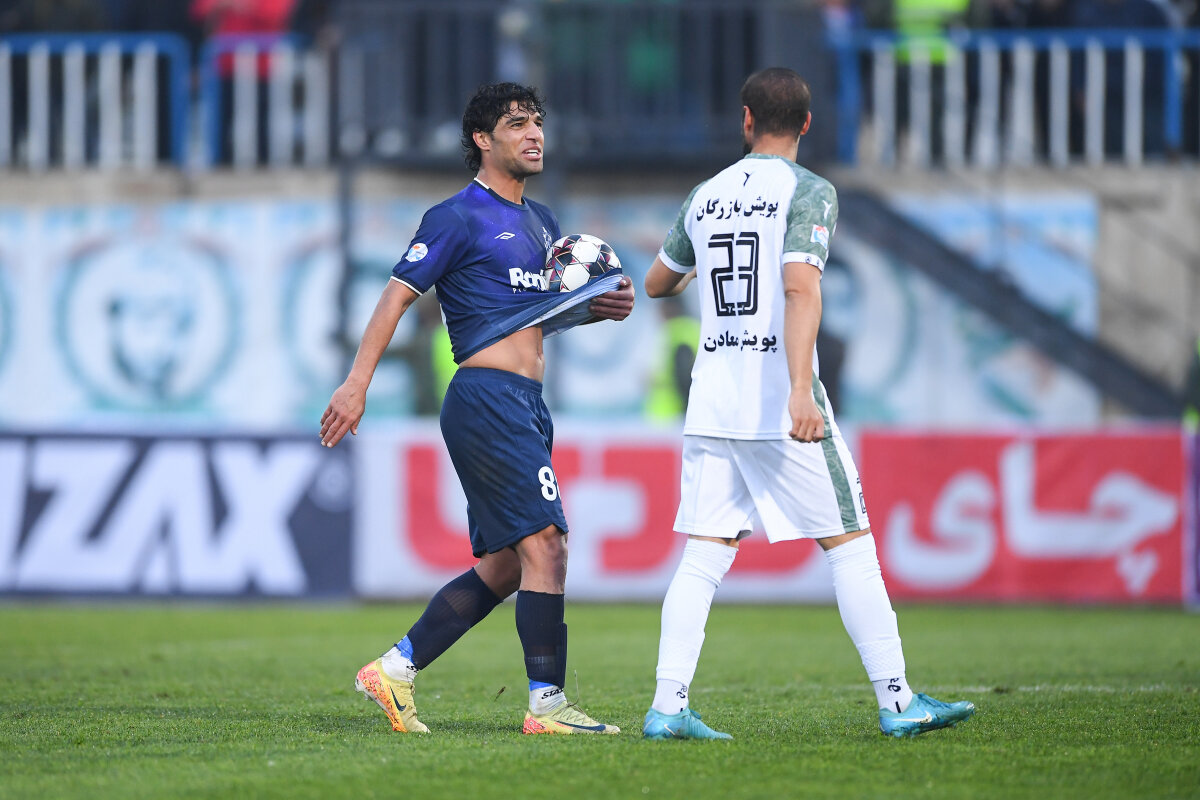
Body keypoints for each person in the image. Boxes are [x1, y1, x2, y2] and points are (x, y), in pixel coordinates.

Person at [640, 67, 976, 740]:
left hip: (713, 400)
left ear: (745, 120)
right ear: (807, 123)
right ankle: (898, 700)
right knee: (850, 542)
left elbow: (657, 283)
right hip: (775, 399)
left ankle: (668, 706)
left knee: (704, 555)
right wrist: (800, 388)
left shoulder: (705, 195)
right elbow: (800, 287)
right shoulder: (809, 191)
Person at [319, 82, 635, 736]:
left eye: (537, 121)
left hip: (526, 401)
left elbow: (526, 322)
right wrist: (356, 383)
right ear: (482, 140)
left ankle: (395, 669)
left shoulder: (543, 223)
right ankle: (547, 705)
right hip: (486, 399)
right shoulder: (456, 217)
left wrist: (589, 310)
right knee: (547, 544)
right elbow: (396, 297)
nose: (534, 133)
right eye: (517, 123)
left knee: (508, 564)